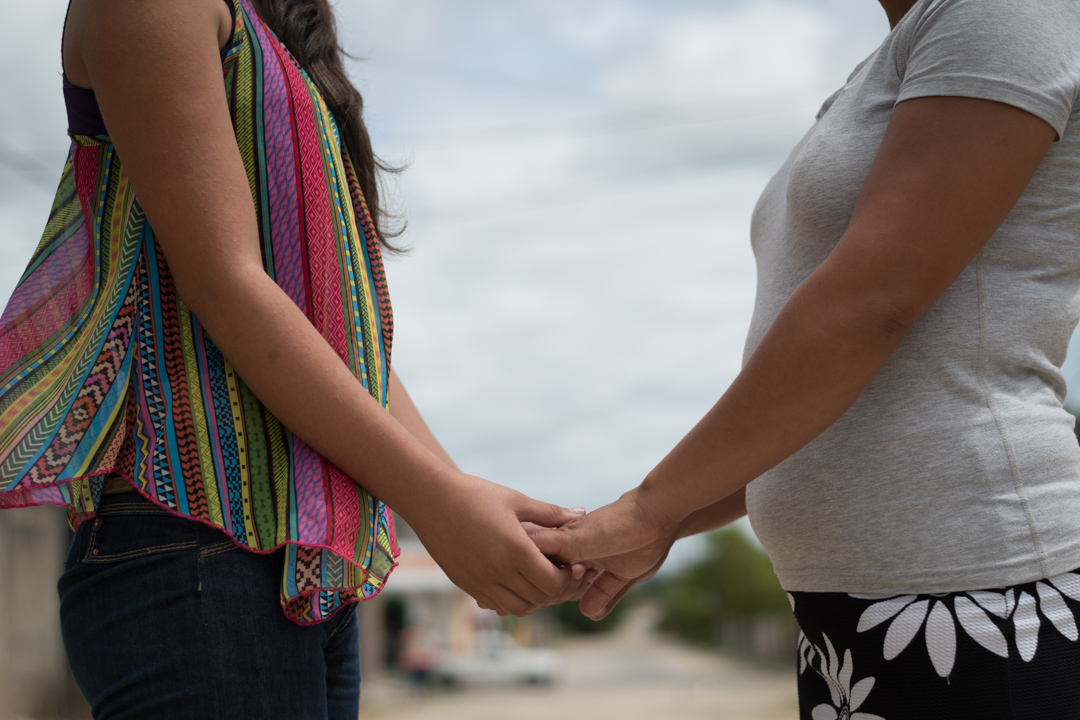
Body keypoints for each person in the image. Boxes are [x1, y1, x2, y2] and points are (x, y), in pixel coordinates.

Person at [0, 0, 586, 717]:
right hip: (191, 553)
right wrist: (440, 506)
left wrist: (465, 500)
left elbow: (336, 342)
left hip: (296, 568)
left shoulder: (270, 31)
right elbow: (230, 288)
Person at [533, 0, 1080, 716]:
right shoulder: (886, 63)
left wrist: (651, 504)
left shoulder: (1000, 11)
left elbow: (869, 305)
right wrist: (669, 519)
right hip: (846, 607)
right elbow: (814, 380)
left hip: (974, 595)